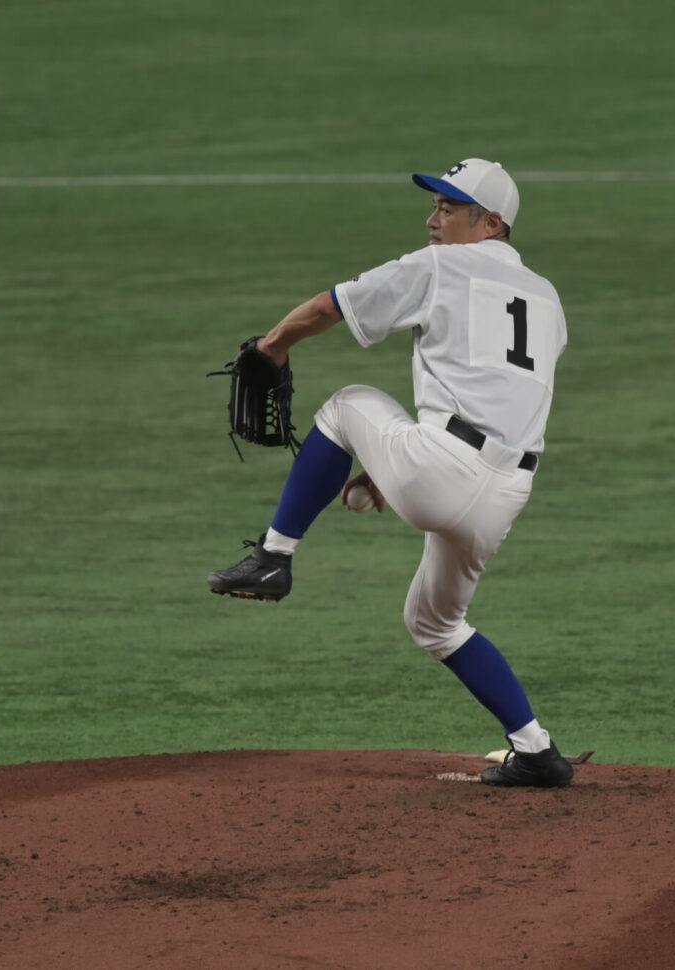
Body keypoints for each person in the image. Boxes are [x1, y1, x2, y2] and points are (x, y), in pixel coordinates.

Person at [207, 158, 573, 788]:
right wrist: (390, 467)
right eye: (433, 206)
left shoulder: (440, 266)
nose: (432, 219)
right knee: (437, 622)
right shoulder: (546, 297)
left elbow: (331, 307)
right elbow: (502, 393)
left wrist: (271, 347)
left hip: (445, 470)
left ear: (490, 223)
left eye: (448, 209)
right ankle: (537, 750)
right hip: (507, 491)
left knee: (345, 404)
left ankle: (273, 555)